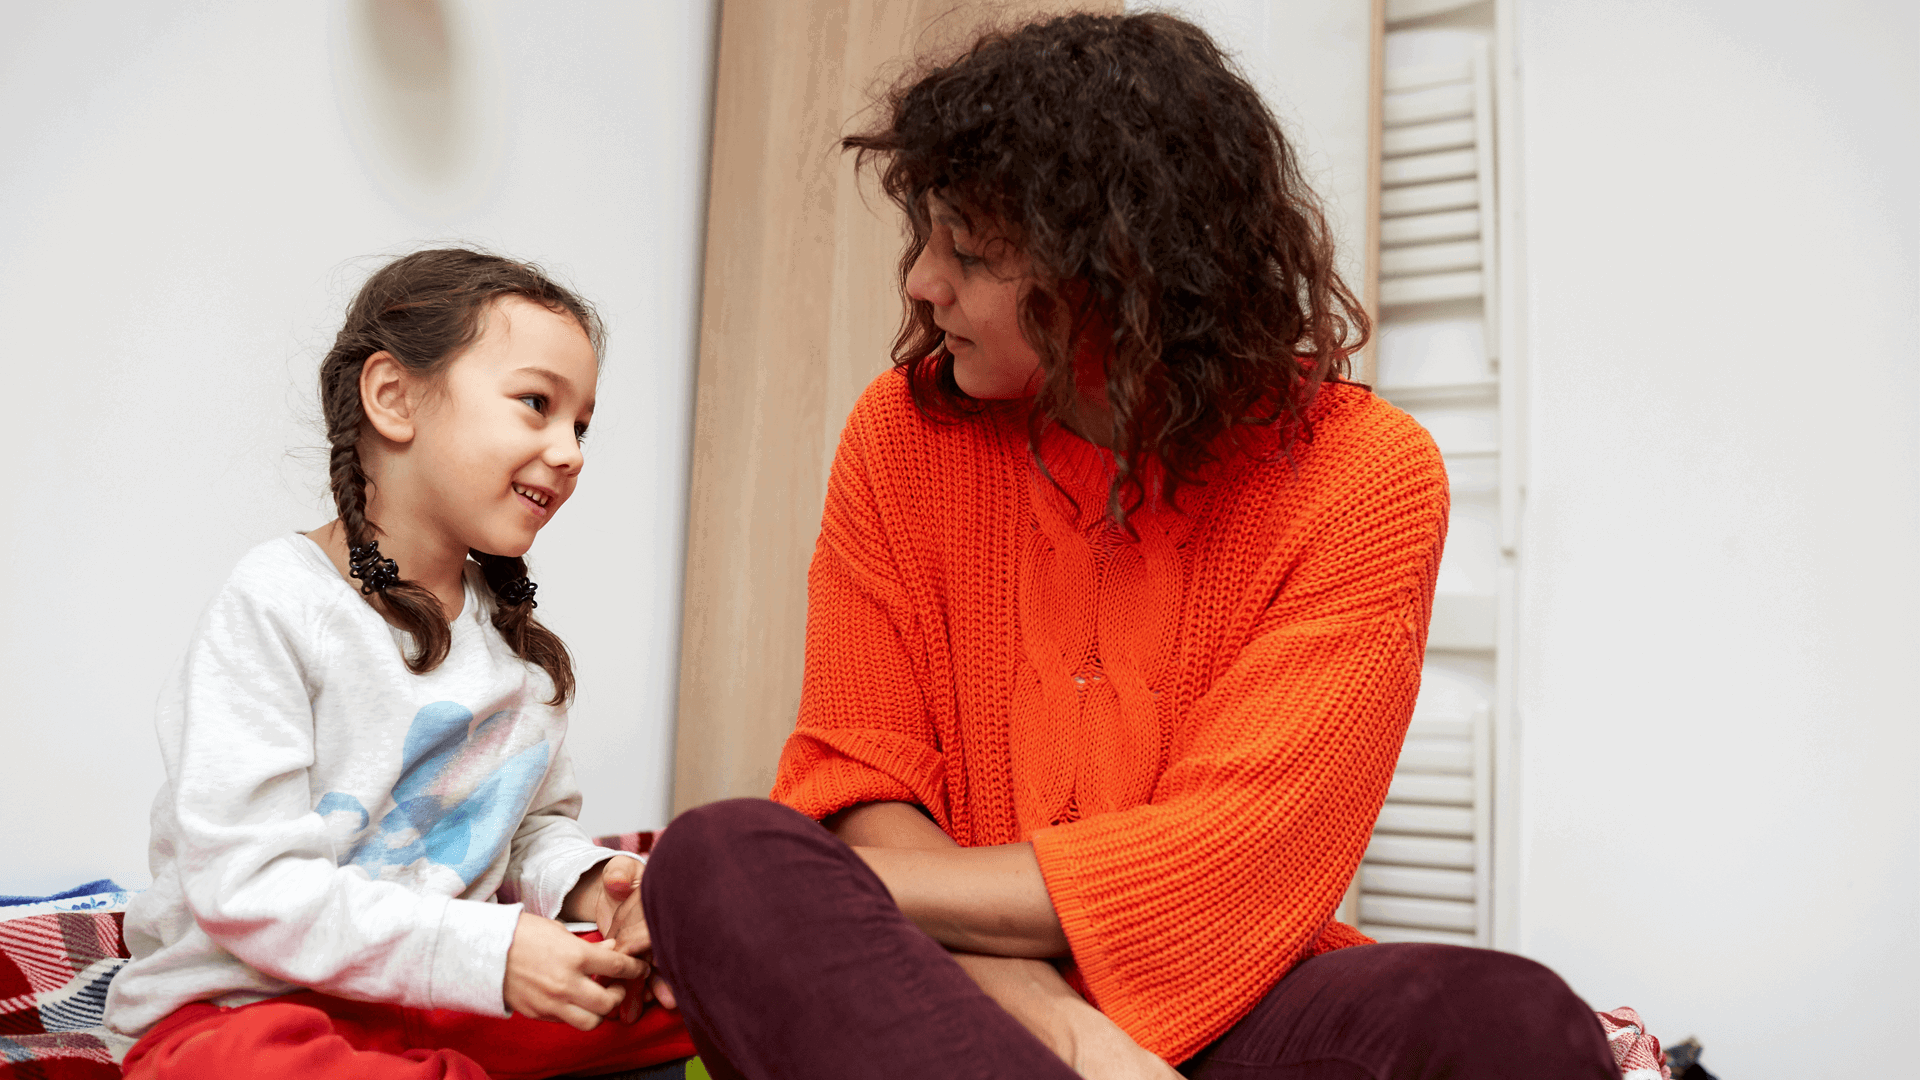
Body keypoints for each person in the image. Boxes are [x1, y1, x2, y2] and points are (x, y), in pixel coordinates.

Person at [636, 13, 1619, 1080]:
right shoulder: (900, 433)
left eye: (968, 251)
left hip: (1230, 1000)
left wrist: (852, 880)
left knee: (1510, 1020)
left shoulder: (1366, 475)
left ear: (1123, 271)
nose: (922, 282)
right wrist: (1069, 1033)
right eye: (926, 237)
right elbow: (862, 791)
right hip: (945, 985)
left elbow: (1228, 868)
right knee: (721, 859)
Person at [103, 249, 693, 1079]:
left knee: (704, 992)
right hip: (246, 1005)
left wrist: (600, 887)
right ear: (392, 398)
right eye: (536, 404)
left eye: (582, 425)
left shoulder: (515, 648)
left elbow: (522, 831)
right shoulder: (278, 602)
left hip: (433, 999)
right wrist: (491, 951)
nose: (570, 452)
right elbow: (247, 887)